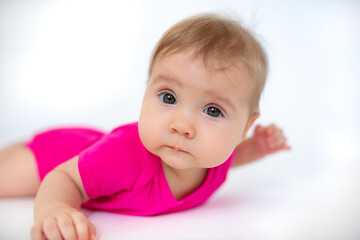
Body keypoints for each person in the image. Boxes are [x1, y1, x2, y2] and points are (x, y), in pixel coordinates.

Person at [0, 13, 290, 240]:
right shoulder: (125, 154)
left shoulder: (212, 158)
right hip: (55, 157)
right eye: (168, 97)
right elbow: (65, 178)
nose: (182, 126)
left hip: (90, 144)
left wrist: (255, 148)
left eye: (213, 111)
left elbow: (231, 158)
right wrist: (56, 208)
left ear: (244, 127)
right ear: (146, 89)